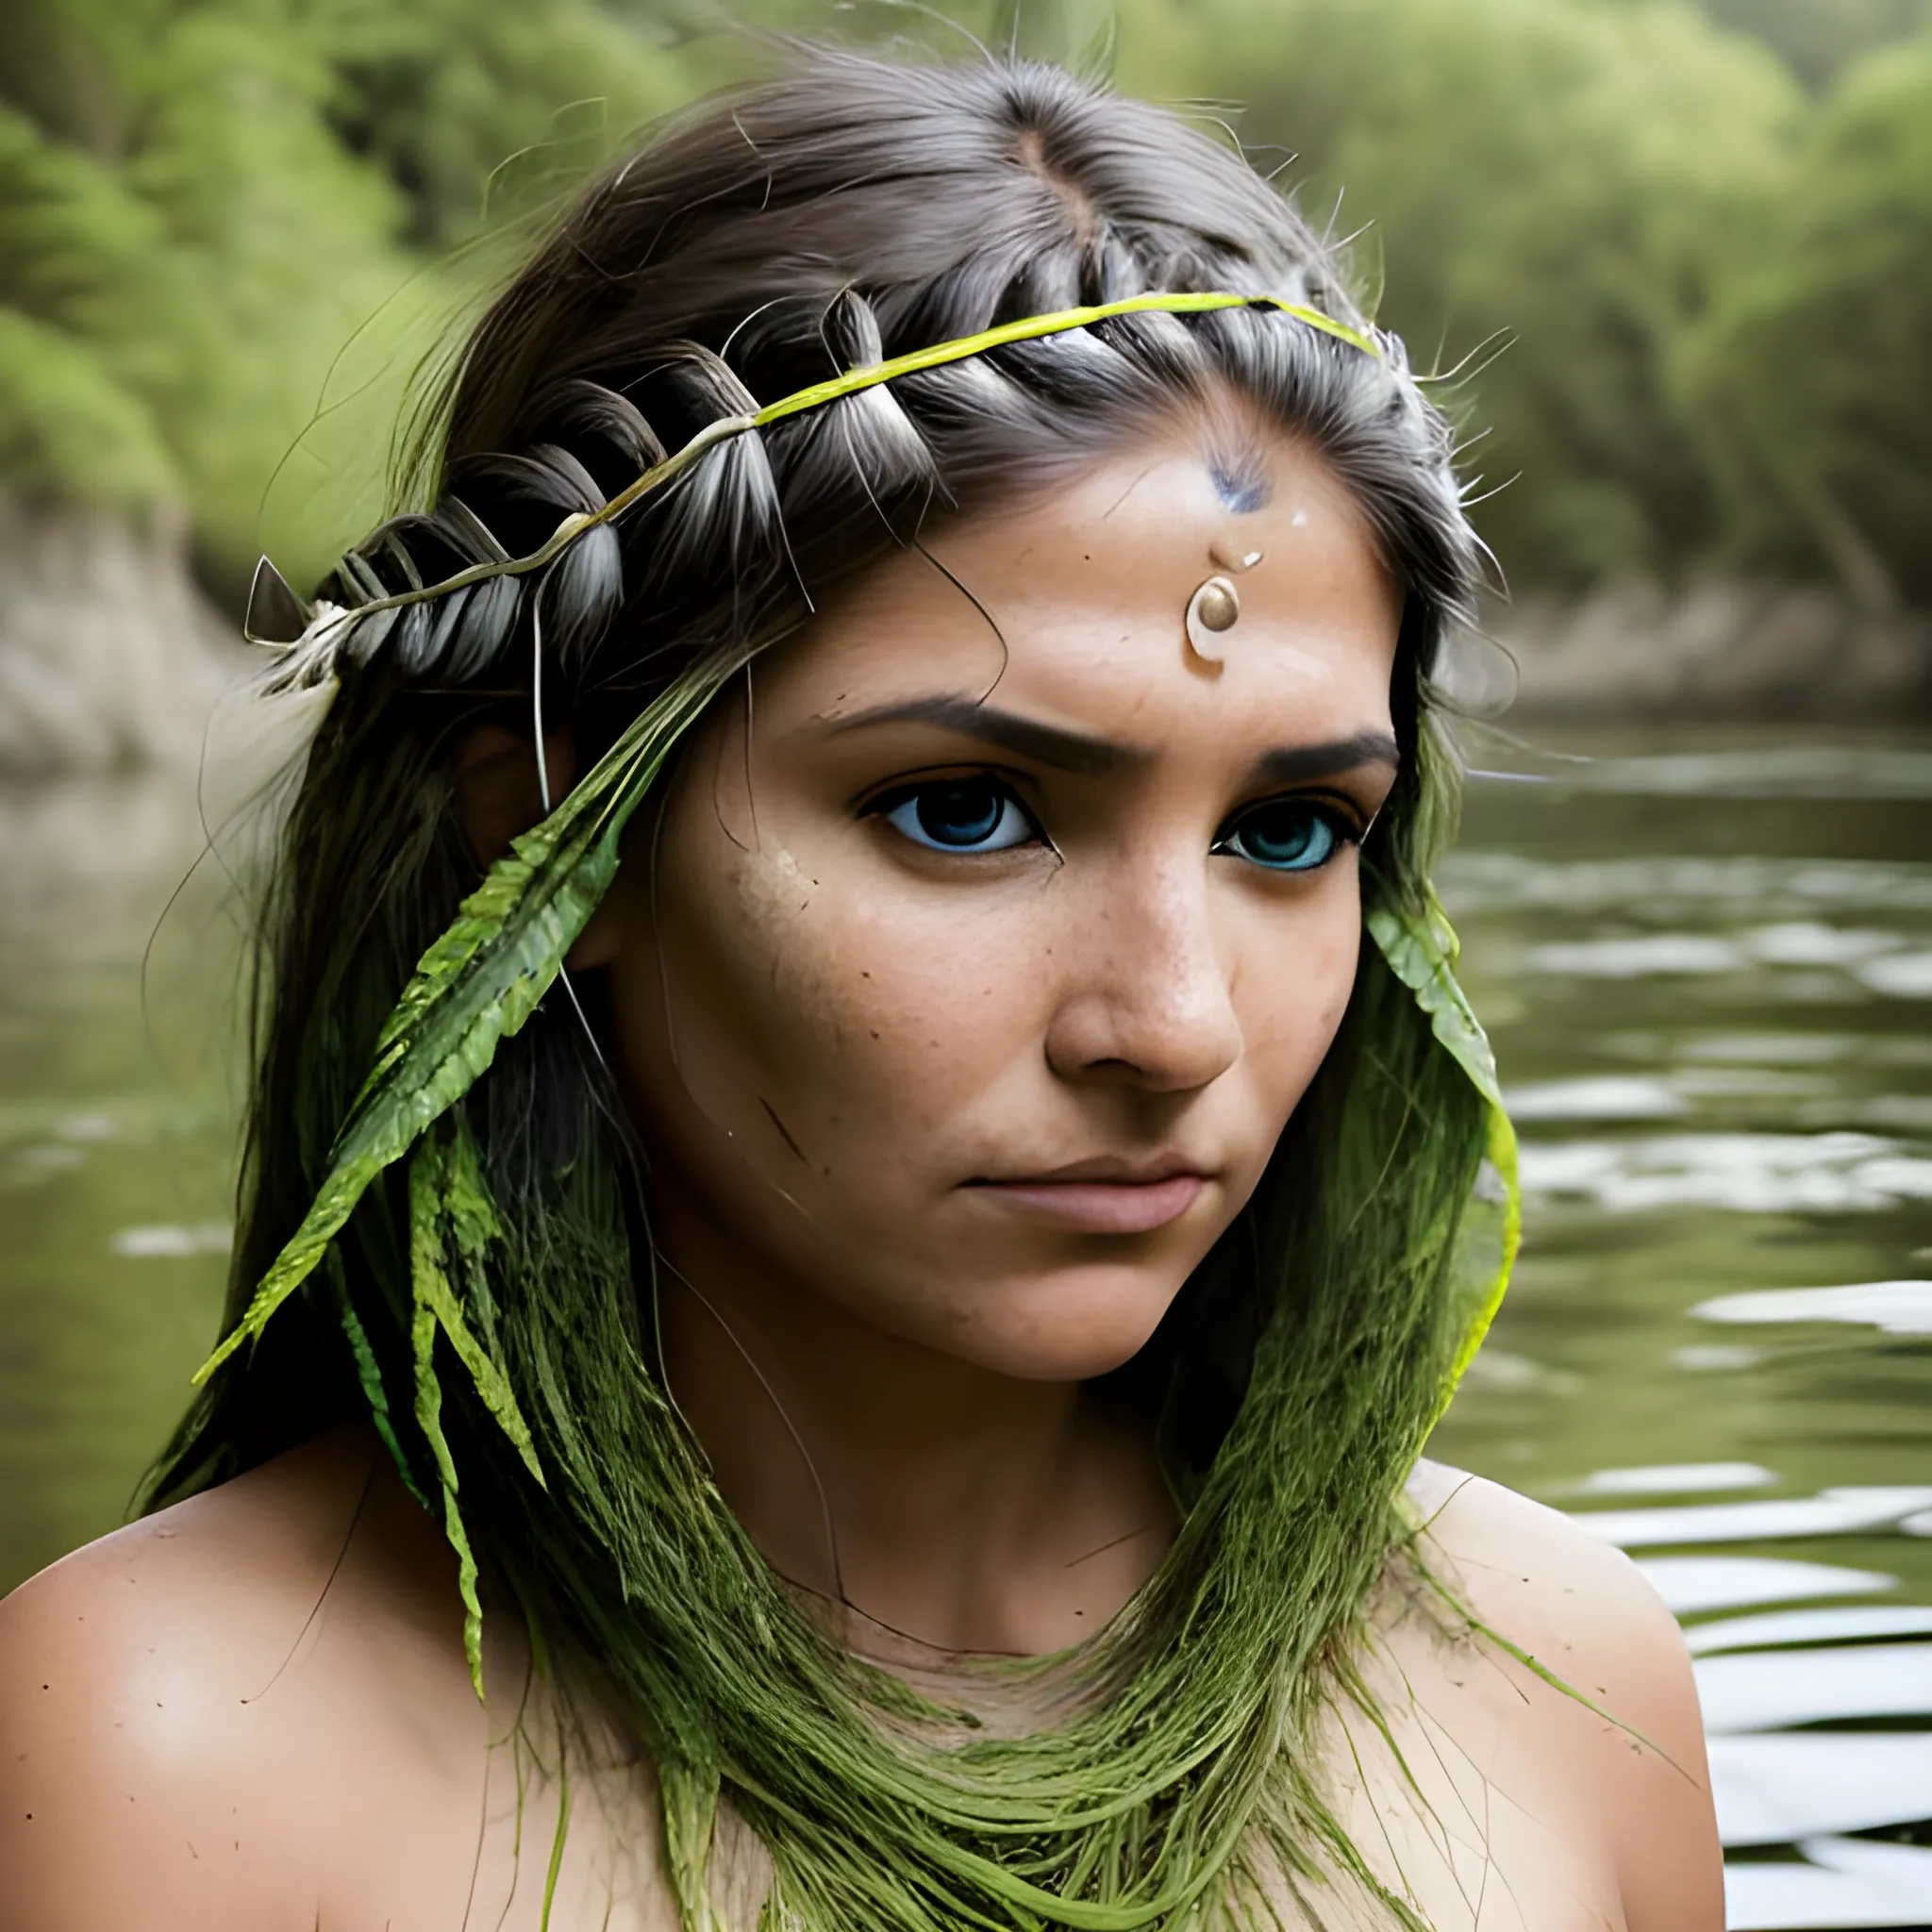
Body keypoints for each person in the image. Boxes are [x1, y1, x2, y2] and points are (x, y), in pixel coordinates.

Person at [0, 49, 1723, 1932]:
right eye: (965, 810)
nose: (1174, 1026)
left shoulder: (1555, 1691)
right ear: (553, 832)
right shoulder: (176, 1753)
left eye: (1291, 829)